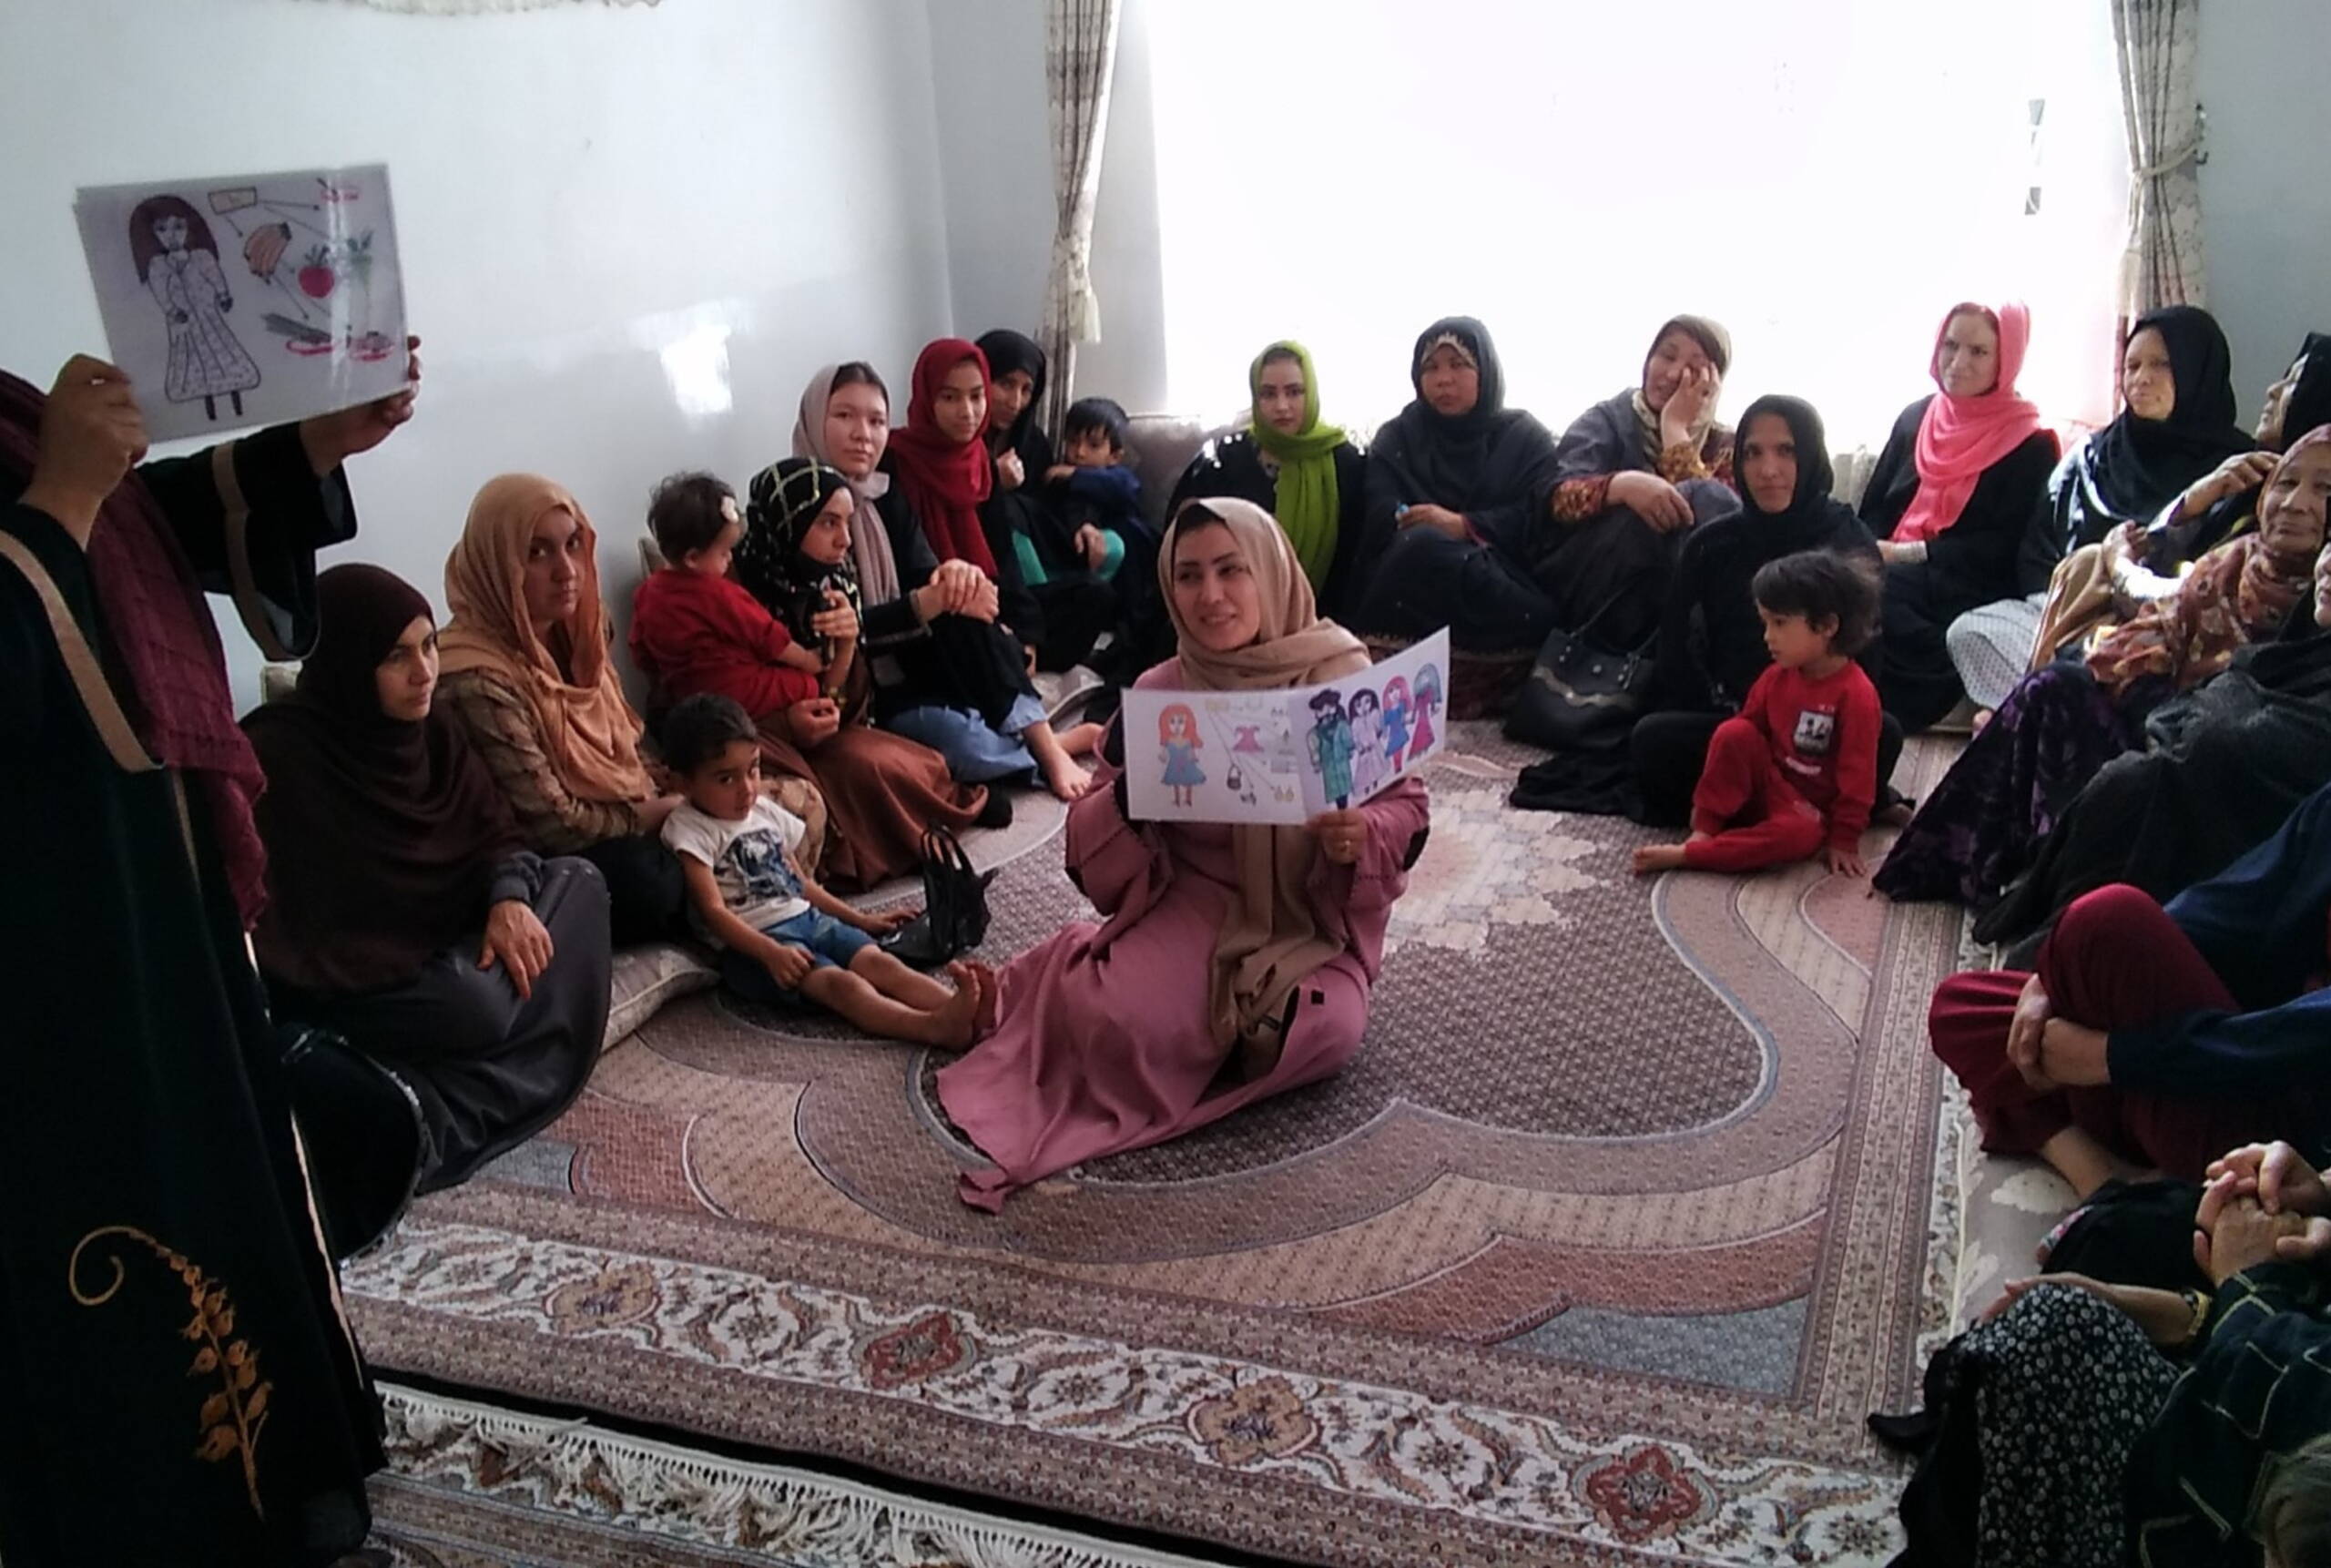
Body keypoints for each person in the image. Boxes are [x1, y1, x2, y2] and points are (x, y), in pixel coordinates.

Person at [2, 348, 417, 1563]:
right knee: (117, 1205)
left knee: (227, 1164)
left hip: (149, 891)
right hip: (51, 944)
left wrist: (311, 445)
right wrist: (60, 503)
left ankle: (282, 1472)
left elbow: (140, 535)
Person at [937, 497, 1430, 1212]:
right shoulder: (1165, 691)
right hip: (1194, 900)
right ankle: (1071, 982)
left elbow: (1409, 810)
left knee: (1329, 1031)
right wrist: (1134, 798)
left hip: (1311, 921)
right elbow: (1088, 846)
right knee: (1115, 1020)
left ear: (1271, 571)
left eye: (1232, 571)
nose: (1211, 596)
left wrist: (1364, 832)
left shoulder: (1343, 678)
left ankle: (1209, 1020)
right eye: (1190, 576)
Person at [244, 564, 609, 1193]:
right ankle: (496, 1067)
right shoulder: (283, 755)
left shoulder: (431, 730)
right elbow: (307, 922)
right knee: (475, 1009)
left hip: (459, 943)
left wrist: (507, 901)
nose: (424, 672)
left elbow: (498, 833)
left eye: (429, 646)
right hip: (364, 982)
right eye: (396, 656)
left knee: (580, 881)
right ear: (345, 663)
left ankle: (448, 1097)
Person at [1876, 428, 2331, 908]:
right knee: (2054, 687)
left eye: (2325, 490)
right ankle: (1970, 867)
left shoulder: (2322, 599)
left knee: (2125, 760)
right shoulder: (2237, 558)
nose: (2295, 503)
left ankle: (2067, 895)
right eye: (2286, 482)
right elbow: (2157, 603)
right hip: (2167, 712)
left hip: (2216, 763)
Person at [1898, 1145, 2331, 1564]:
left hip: (2264, 1415)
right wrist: (2316, 1193)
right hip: (2273, 1355)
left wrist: (2253, 1282)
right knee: (2093, 1271)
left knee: (2057, 1321)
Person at [1927, 777, 2331, 1199]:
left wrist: (2110, 1056)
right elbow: (2233, 898)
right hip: (2198, 1055)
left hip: (2273, 1127)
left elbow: (2294, 1044)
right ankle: (2104, 1176)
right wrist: (2050, 979)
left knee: (2106, 917)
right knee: (1962, 1006)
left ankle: (2115, 1190)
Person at [636, 468, 989, 890]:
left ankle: (949, 811)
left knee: (895, 763)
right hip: (751, 734)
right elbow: (676, 693)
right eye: (827, 523)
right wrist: (785, 721)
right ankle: (845, 863)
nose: (845, 540)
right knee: (854, 772)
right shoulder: (729, 584)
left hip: (819, 725)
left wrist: (844, 646)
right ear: (791, 523)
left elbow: (835, 693)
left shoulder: (832, 585)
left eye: (847, 523)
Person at [1974, 540, 2331, 951]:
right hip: (2174, 754)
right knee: (2063, 691)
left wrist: (2208, 712)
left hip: (2241, 865)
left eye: (2319, 489)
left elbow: (2229, 742)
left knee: (2130, 786)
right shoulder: (2300, 638)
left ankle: (2081, 947)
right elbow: (2208, 700)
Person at [789, 361, 1101, 799]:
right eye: (844, 416)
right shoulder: (792, 505)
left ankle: (1046, 747)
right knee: (964, 747)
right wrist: (925, 602)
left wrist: (953, 576)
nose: (863, 433)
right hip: (866, 685)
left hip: (919, 659)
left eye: (876, 420)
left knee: (964, 599)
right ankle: (1054, 743)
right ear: (814, 418)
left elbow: (924, 572)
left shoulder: (882, 492)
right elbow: (830, 630)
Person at [1942, 304, 2254, 720]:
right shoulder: (2093, 455)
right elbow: (2039, 550)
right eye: (2132, 365)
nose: (2141, 378)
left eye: (2161, 364)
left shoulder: (2236, 469)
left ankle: (2030, 716)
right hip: (2071, 616)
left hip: (2163, 629)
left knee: (2135, 674)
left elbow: (2221, 577)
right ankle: (2046, 714)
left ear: (2197, 370)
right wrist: (2078, 598)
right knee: (1971, 631)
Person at [434, 473, 691, 945]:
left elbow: (622, 751)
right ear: (497, 563)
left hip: (614, 819)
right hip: (525, 860)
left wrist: (670, 787)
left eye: (573, 545)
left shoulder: (577, 633)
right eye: (537, 553)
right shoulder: (475, 676)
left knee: (749, 809)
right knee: (651, 880)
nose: (567, 570)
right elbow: (552, 824)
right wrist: (659, 811)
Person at [1626, 394, 1901, 827]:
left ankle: (1753, 802)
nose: (1767, 470)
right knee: (1652, 740)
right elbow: (1677, 654)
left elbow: (1866, 660)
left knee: (1884, 733)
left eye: (1786, 451)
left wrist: (1809, 719)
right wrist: (1733, 717)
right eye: (1752, 453)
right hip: (1735, 719)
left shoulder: (1847, 541)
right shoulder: (1713, 544)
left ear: (1810, 455)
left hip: (1816, 727)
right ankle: (1791, 804)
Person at [659, 694, 982, 1047]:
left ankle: (962, 1010)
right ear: (683, 783)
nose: (747, 789)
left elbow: (800, 882)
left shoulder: (764, 812)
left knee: (880, 963)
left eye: (752, 769)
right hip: (758, 947)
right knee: (844, 986)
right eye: (726, 779)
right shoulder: (689, 829)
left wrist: (860, 921)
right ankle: (931, 1027)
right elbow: (714, 911)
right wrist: (770, 952)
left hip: (810, 920)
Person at [1858, 300, 2061, 732]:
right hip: (1891, 562)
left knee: (1877, 594)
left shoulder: (2032, 444)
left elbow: (2006, 545)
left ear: (2007, 360)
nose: (1958, 362)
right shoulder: (1918, 416)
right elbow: (1876, 505)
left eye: (1979, 351)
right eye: (1950, 345)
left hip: (1966, 576)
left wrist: (1909, 554)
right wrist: (1862, 546)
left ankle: (1925, 695)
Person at [1631, 550, 1882, 878]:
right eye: (1765, 623)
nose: (1767, 637)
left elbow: (1857, 778)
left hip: (1805, 809)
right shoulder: (1777, 675)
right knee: (1732, 732)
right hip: (1768, 783)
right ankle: (1705, 828)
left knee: (1800, 836)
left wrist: (1844, 838)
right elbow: (1745, 736)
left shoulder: (1856, 695)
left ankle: (1694, 855)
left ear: (1827, 626)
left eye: (1779, 623)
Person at [1349, 316, 1562, 652]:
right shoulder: (1398, 438)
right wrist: (1414, 520)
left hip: (1499, 583)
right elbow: (1379, 510)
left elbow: (1537, 519)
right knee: (1420, 547)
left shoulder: (1524, 439)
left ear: (1486, 371)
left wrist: (1464, 526)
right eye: (1430, 368)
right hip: (1409, 578)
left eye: (1458, 365)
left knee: (1540, 614)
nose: (1443, 380)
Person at [1541, 314, 1739, 651]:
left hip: (1679, 600)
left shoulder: (1727, 446)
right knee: (1638, 522)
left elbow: (1723, 531)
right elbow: (1558, 498)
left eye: (1696, 365)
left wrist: (1675, 431)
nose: (1675, 374)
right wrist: (1622, 487)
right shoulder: (1607, 420)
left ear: (1714, 381)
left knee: (1705, 497)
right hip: (1596, 584)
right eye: (1667, 355)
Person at [1168, 340, 1369, 616]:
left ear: (1311, 394)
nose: (1282, 406)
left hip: (1322, 615)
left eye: (1294, 392)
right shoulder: (1223, 458)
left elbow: (1357, 556)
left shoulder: (1345, 461)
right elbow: (1180, 536)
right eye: (1268, 394)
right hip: (1227, 610)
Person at [974, 329, 1116, 674]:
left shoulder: (1030, 441)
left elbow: (1052, 502)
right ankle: (1021, 647)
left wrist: (1083, 524)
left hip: (1037, 575)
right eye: (1006, 384)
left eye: (1026, 390)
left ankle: (1036, 653)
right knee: (1007, 509)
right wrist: (993, 481)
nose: (1015, 401)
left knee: (1098, 590)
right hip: (991, 581)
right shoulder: (961, 441)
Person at [1038, 394, 1161, 662]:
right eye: (1072, 442)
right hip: (1077, 565)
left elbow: (1125, 490)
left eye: (1093, 445)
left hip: (1128, 574)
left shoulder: (1119, 479)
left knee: (1131, 530)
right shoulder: (1057, 480)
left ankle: (1131, 628)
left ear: (1115, 455)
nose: (1079, 453)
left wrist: (1076, 476)